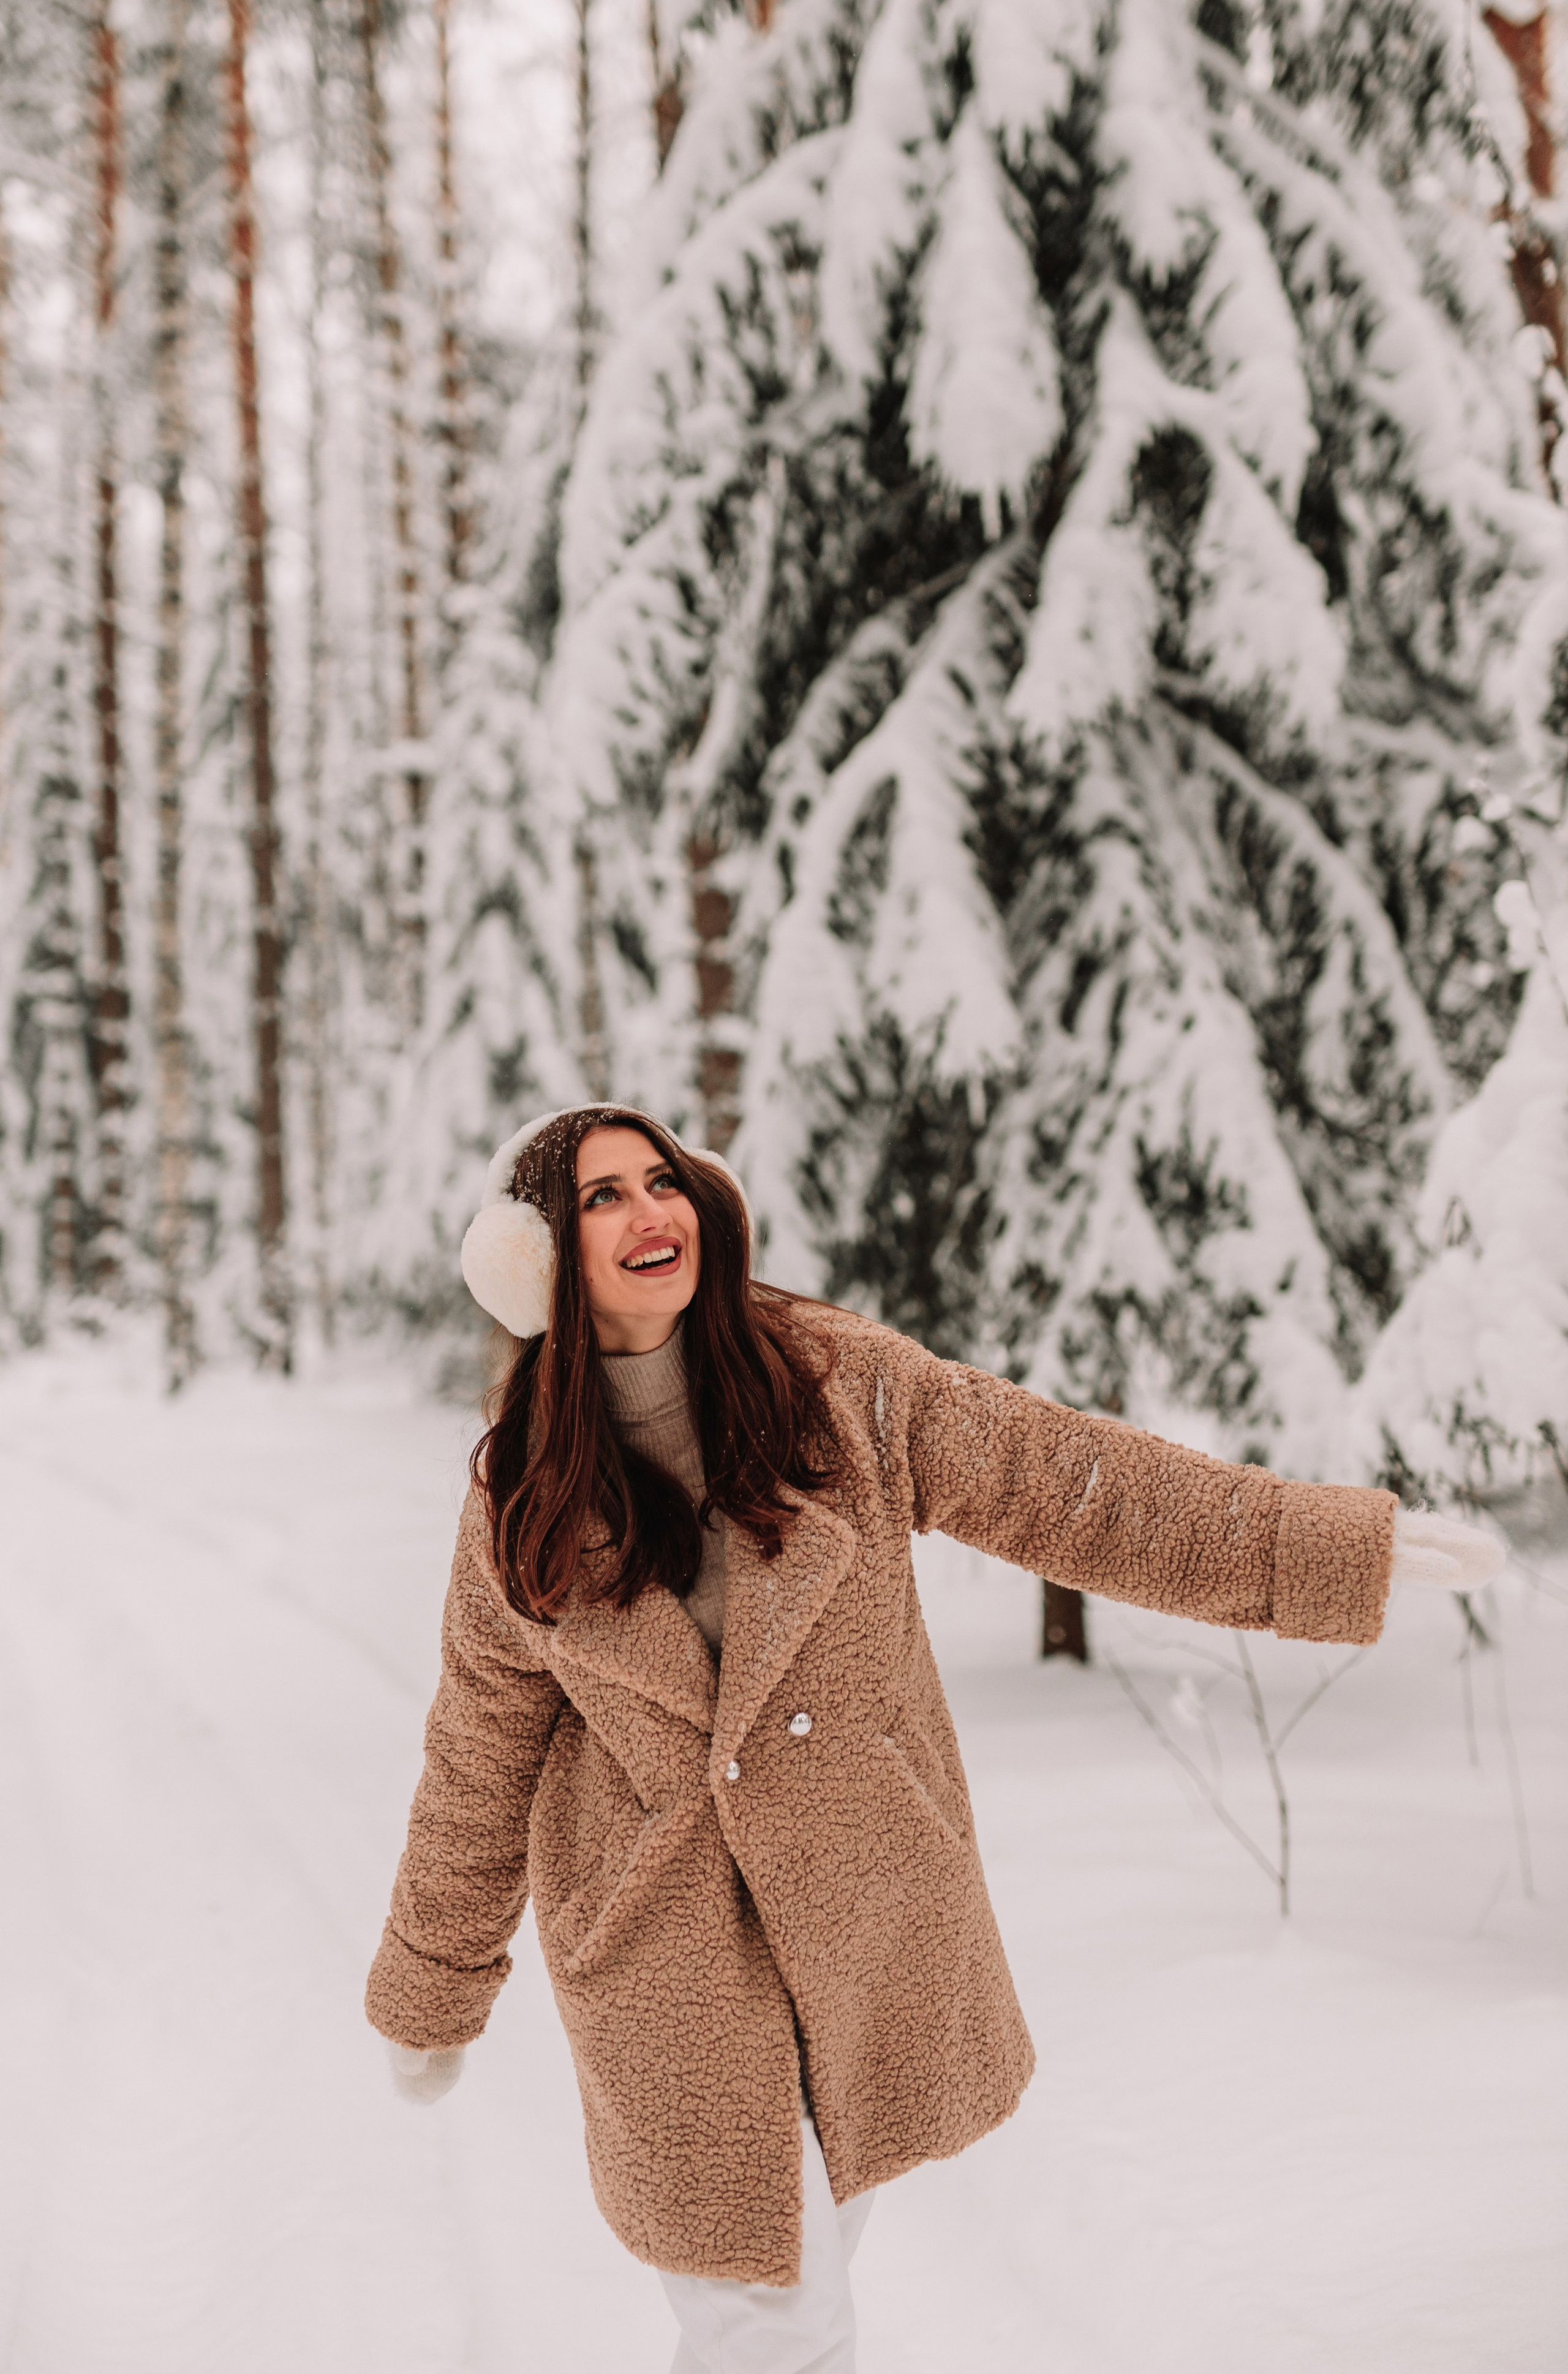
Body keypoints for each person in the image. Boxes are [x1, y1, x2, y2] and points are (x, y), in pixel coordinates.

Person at [365, 1102, 1502, 2374]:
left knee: (781, 2310)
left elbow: (1074, 1486)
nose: (649, 1213)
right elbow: (479, 1756)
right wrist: (432, 1986)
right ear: (534, 1261)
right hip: (662, 1965)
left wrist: (1332, 1548)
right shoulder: (520, 1493)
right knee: (773, 2322)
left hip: (859, 1922)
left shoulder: (836, 1390)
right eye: (602, 1197)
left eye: (662, 1180)